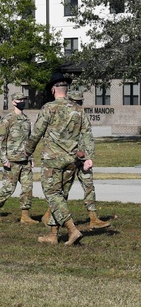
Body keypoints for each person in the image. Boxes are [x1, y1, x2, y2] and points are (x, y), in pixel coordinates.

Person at [22, 72, 87, 245]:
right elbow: (86, 133)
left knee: (53, 194)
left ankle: (72, 230)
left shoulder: (48, 108)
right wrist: (87, 157)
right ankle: (52, 235)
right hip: (72, 160)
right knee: (61, 196)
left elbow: (37, 133)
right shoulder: (78, 109)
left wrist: (28, 150)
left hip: (52, 160)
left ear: (53, 90)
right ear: (66, 89)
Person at [0, 92, 36, 224]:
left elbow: (29, 140)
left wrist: (31, 158)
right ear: (14, 102)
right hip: (12, 160)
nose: (22, 102)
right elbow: (1, 141)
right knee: (9, 188)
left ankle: (25, 216)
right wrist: (4, 159)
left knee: (28, 188)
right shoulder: (8, 119)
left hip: (25, 160)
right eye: (20, 100)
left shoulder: (26, 120)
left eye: (24, 100)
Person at [67, 85, 110, 230]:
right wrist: (76, 152)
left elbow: (88, 137)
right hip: (68, 159)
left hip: (83, 159)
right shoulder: (63, 116)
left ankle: (93, 218)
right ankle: (50, 216)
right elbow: (60, 139)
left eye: (80, 102)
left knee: (89, 186)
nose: (78, 104)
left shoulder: (82, 116)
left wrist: (89, 157)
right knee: (63, 189)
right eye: (75, 101)